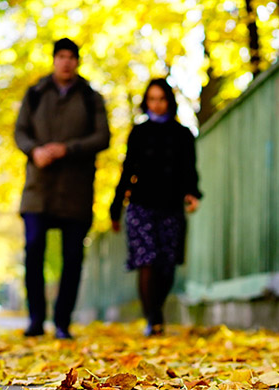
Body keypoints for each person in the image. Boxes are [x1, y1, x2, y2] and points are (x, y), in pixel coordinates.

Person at [14, 38, 110, 339]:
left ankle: (62, 322)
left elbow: (103, 137)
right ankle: (36, 319)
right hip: (38, 189)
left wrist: (68, 149)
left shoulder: (91, 97)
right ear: (54, 60)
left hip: (76, 190)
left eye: (71, 57)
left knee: (73, 257)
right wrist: (35, 151)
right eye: (61, 56)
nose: (66, 62)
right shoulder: (35, 93)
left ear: (77, 62)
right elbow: (20, 132)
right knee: (33, 250)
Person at [109, 78, 201, 336]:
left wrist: (192, 193)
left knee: (167, 265)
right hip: (141, 205)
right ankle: (153, 318)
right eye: (152, 99)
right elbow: (127, 170)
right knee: (147, 261)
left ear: (169, 101)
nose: (157, 104)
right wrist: (116, 206)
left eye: (161, 99)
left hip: (171, 206)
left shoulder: (183, 134)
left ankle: (156, 310)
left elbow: (189, 169)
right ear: (146, 102)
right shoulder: (139, 133)